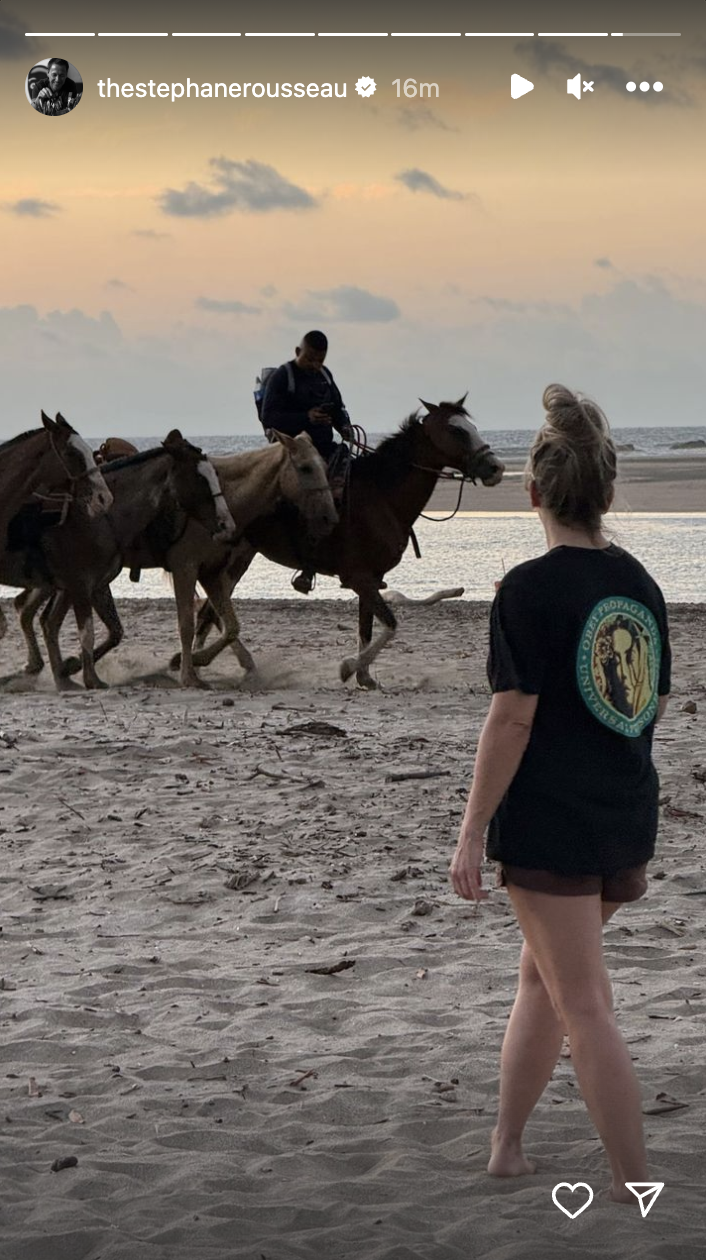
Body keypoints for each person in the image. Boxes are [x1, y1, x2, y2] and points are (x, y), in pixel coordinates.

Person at [450, 384, 671, 1203]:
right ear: (606, 492)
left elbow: (510, 722)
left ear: (534, 492)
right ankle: (506, 1146)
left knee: (583, 1002)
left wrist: (472, 831)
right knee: (542, 981)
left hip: (556, 825)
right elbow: (643, 704)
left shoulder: (528, 590)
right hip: (622, 817)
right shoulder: (642, 584)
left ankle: (633, 1183)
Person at [261, 330, 352, 593]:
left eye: (319, 361)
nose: (314, 365)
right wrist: (306, 418)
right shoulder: (283, 377)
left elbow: (338, 407)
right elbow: (270, 417)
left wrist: (344, 426)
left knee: (354, 483)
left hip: (325, 447)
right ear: (298, 351)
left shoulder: (325, 376)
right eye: (309, 359)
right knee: (316, 497)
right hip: (295, 451)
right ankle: (308, 566)